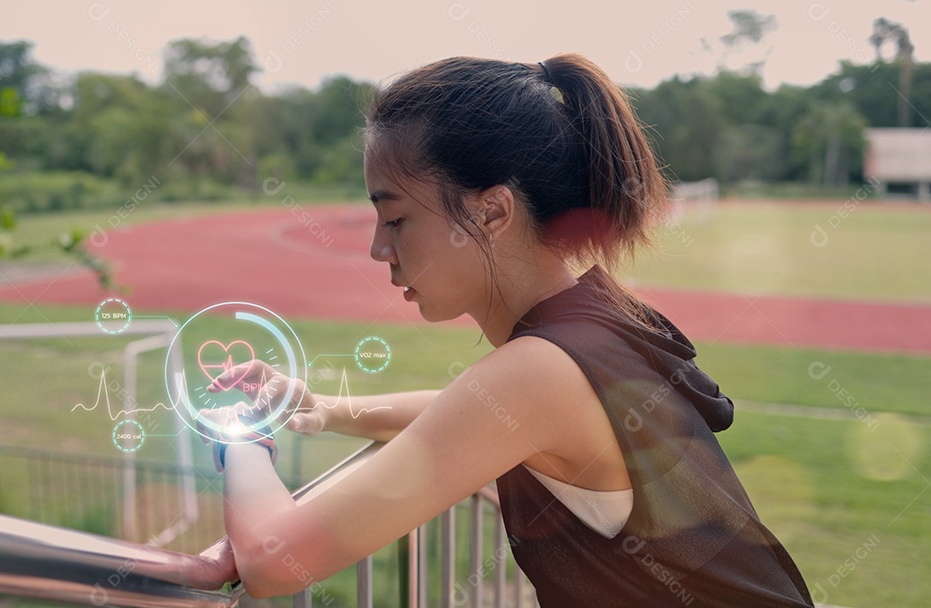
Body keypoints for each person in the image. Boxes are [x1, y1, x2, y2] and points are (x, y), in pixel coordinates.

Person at [203, 53, 815, 607]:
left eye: (394, 217)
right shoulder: (592, 325)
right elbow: (466, 415)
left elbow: (273, 560)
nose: (375, 248)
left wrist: (241, 438)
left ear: (492, 210)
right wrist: (322, 410)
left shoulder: (540, 371)